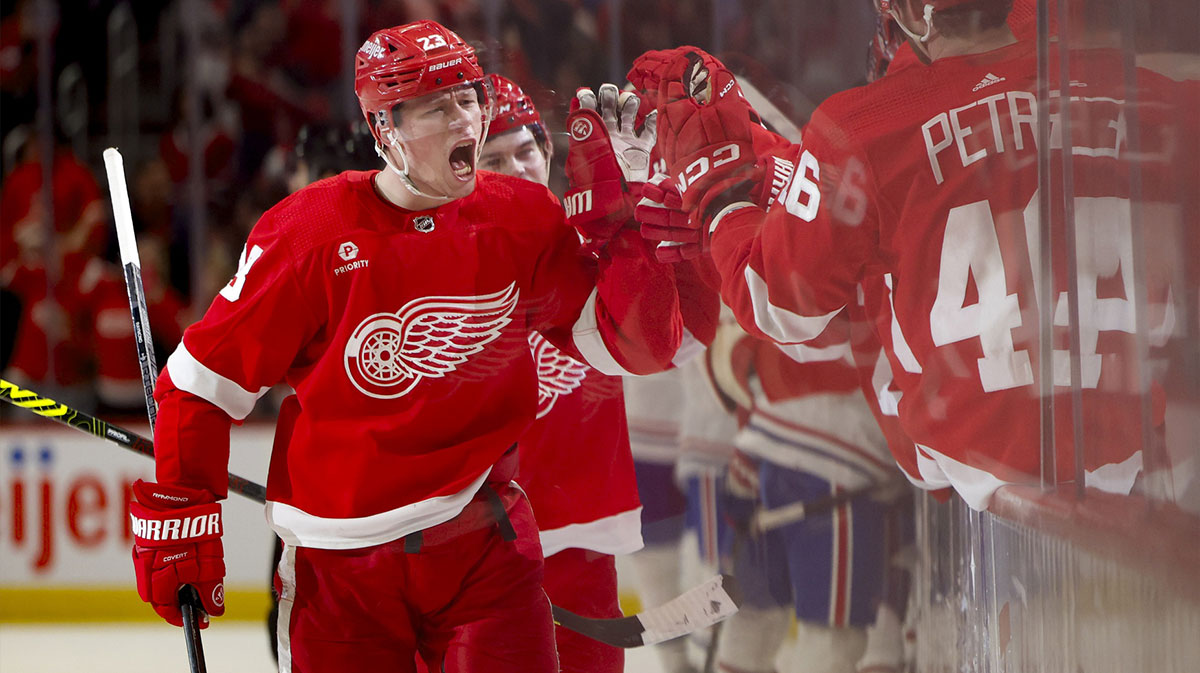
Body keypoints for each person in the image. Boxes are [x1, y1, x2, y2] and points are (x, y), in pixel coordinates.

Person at [128, 20, 682, 673]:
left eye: (468, 99)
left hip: (485, 544)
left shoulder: (520, 218)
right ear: (385, 129)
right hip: (343, 571)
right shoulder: (309, 232)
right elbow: (198, 385)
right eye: (434, 105)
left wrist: (628, 222)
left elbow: (636, 346)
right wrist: (185, 513)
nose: (463, 121)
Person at [636, 0, 1182, 511]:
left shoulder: (862, 128)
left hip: (978, 479)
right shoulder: (1154, 98)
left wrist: (721, 197)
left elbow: (779, 302)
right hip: (1146, 474)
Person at [475, 73, 643, 673]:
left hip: (583, 538)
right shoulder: (445, 263)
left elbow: (658, 335)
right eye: (494, 158)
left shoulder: (593, 243)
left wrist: (639, 214)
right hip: (473, 550)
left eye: (527, 150)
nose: (517, 167)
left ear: (548, 152)